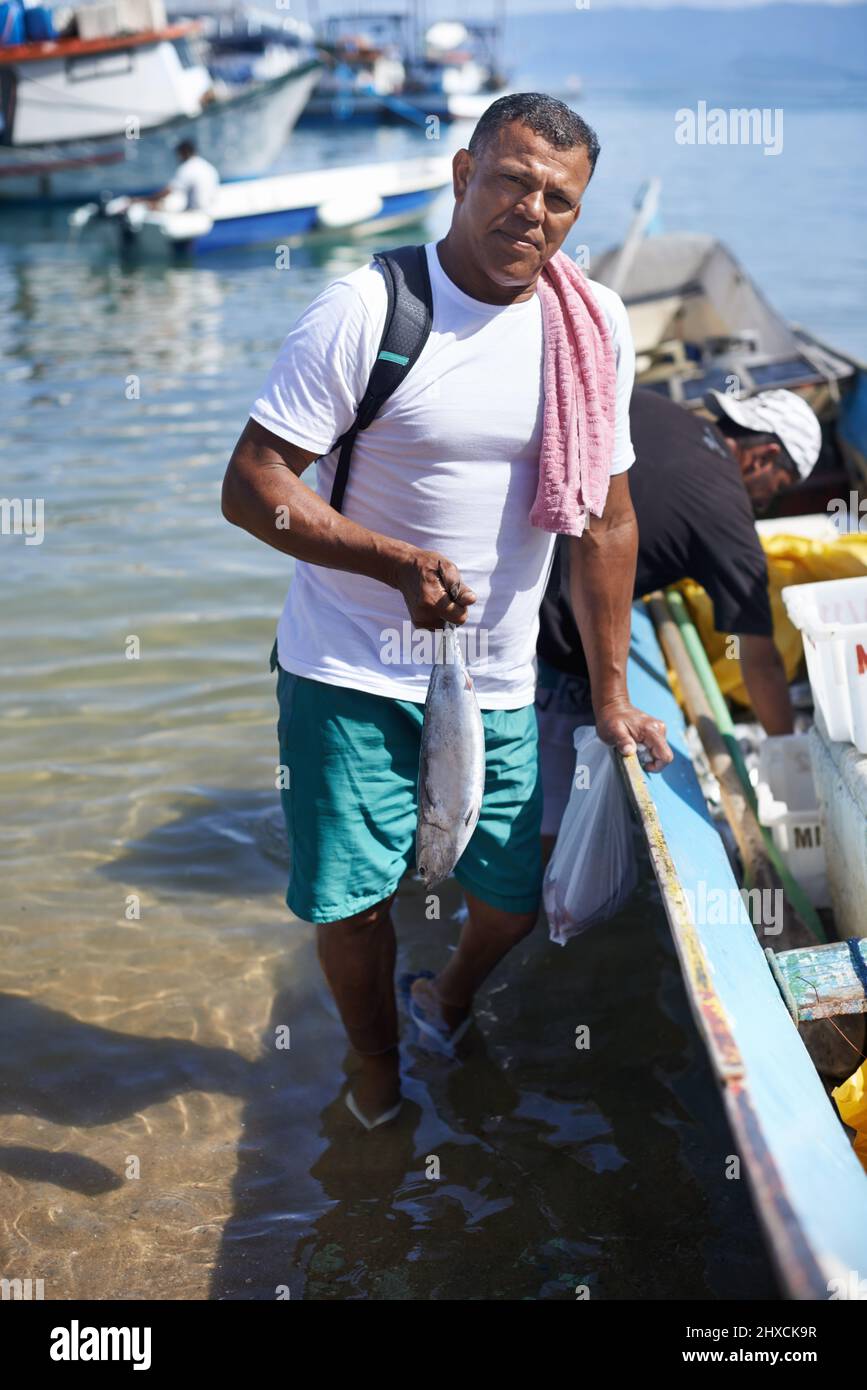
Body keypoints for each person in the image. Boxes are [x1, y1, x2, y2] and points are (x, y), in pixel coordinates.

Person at [221, 92, 672, 1131]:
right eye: (512, 180)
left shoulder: (591, 323)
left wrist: (609, 695)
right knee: (353, 901)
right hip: (347, 666)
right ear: (463, 174)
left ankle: (448, 998)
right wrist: (392, 563)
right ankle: (375, 1067)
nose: (532, 210)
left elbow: (606, 523)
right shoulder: (367, 310)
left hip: (499, 678)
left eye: (558, 198)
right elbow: (252, 486)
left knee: (514, 898)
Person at [536, 384, 822, 845]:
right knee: (552, 817)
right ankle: (529, 910)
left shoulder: (652, 405)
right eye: (777, 492)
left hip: (504, 575)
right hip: (551, 636)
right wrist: (787, 753)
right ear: (764, 457)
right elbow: (760, 660)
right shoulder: (728, 521)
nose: (765, 505)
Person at [129, 139, 220, 213]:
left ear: (185, 152)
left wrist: (143, 200)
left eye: (179, 154)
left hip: (198, 211)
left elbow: (167, 191)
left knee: (156, 207)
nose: (178, 158)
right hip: (210, 208)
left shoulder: (187, 168)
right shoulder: (206, 166)